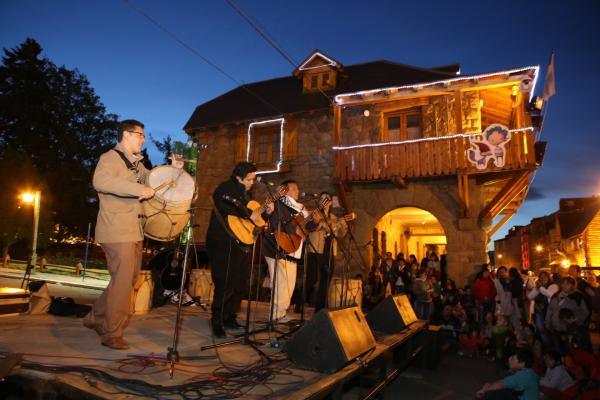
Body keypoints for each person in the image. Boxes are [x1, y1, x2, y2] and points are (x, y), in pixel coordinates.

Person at [84, 119, 176, 350]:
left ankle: (95, 317)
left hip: (132, 230)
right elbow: (100, 181)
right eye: (140, 135)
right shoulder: (110, 158)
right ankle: (111, 333)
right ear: (126, 134)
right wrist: (138, 189)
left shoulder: (134, 164)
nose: (143, 139)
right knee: (123, 283)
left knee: (126, 280)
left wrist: (174, 170)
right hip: (116, 230)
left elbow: (151, 179)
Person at [206, 162, 272, 338]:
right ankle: (217, 320)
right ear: (238, 177)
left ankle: (229, 317)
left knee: (239, 282)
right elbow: (224, 206)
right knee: (224, 282)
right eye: (249, 179)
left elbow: (255, 218)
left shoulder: (247, 194)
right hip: (222, 241)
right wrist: (246, 213)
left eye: (253, 179)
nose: (252, 182)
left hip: (241, 243)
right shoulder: (225, 188)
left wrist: (267, 212)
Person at [262, 180, 308, 322]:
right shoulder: (278, 203)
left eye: (297, 188)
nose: (298, 191)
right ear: (285, 191)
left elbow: (301, 228)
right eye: (294, 188)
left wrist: (308, 227)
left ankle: (281, 312)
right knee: (280, 283)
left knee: (289, 284)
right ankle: (275, 315)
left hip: (291, 249)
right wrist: (297, 230)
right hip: (276, 247)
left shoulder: (299, 209)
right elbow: (278, 224)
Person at [306, 192, 347, 312]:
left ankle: (319, 308)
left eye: (327, 199)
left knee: (326, 279)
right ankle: (298, 301)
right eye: (322, 199)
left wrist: (344, 226)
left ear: (330, 203)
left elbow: (341, 235)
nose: (325, 201)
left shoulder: (334, 218)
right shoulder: (314, 213)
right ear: (319, 201)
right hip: (315, 250)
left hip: (329, 251)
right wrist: (318, 222)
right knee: (312, 278)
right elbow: (308, 227)